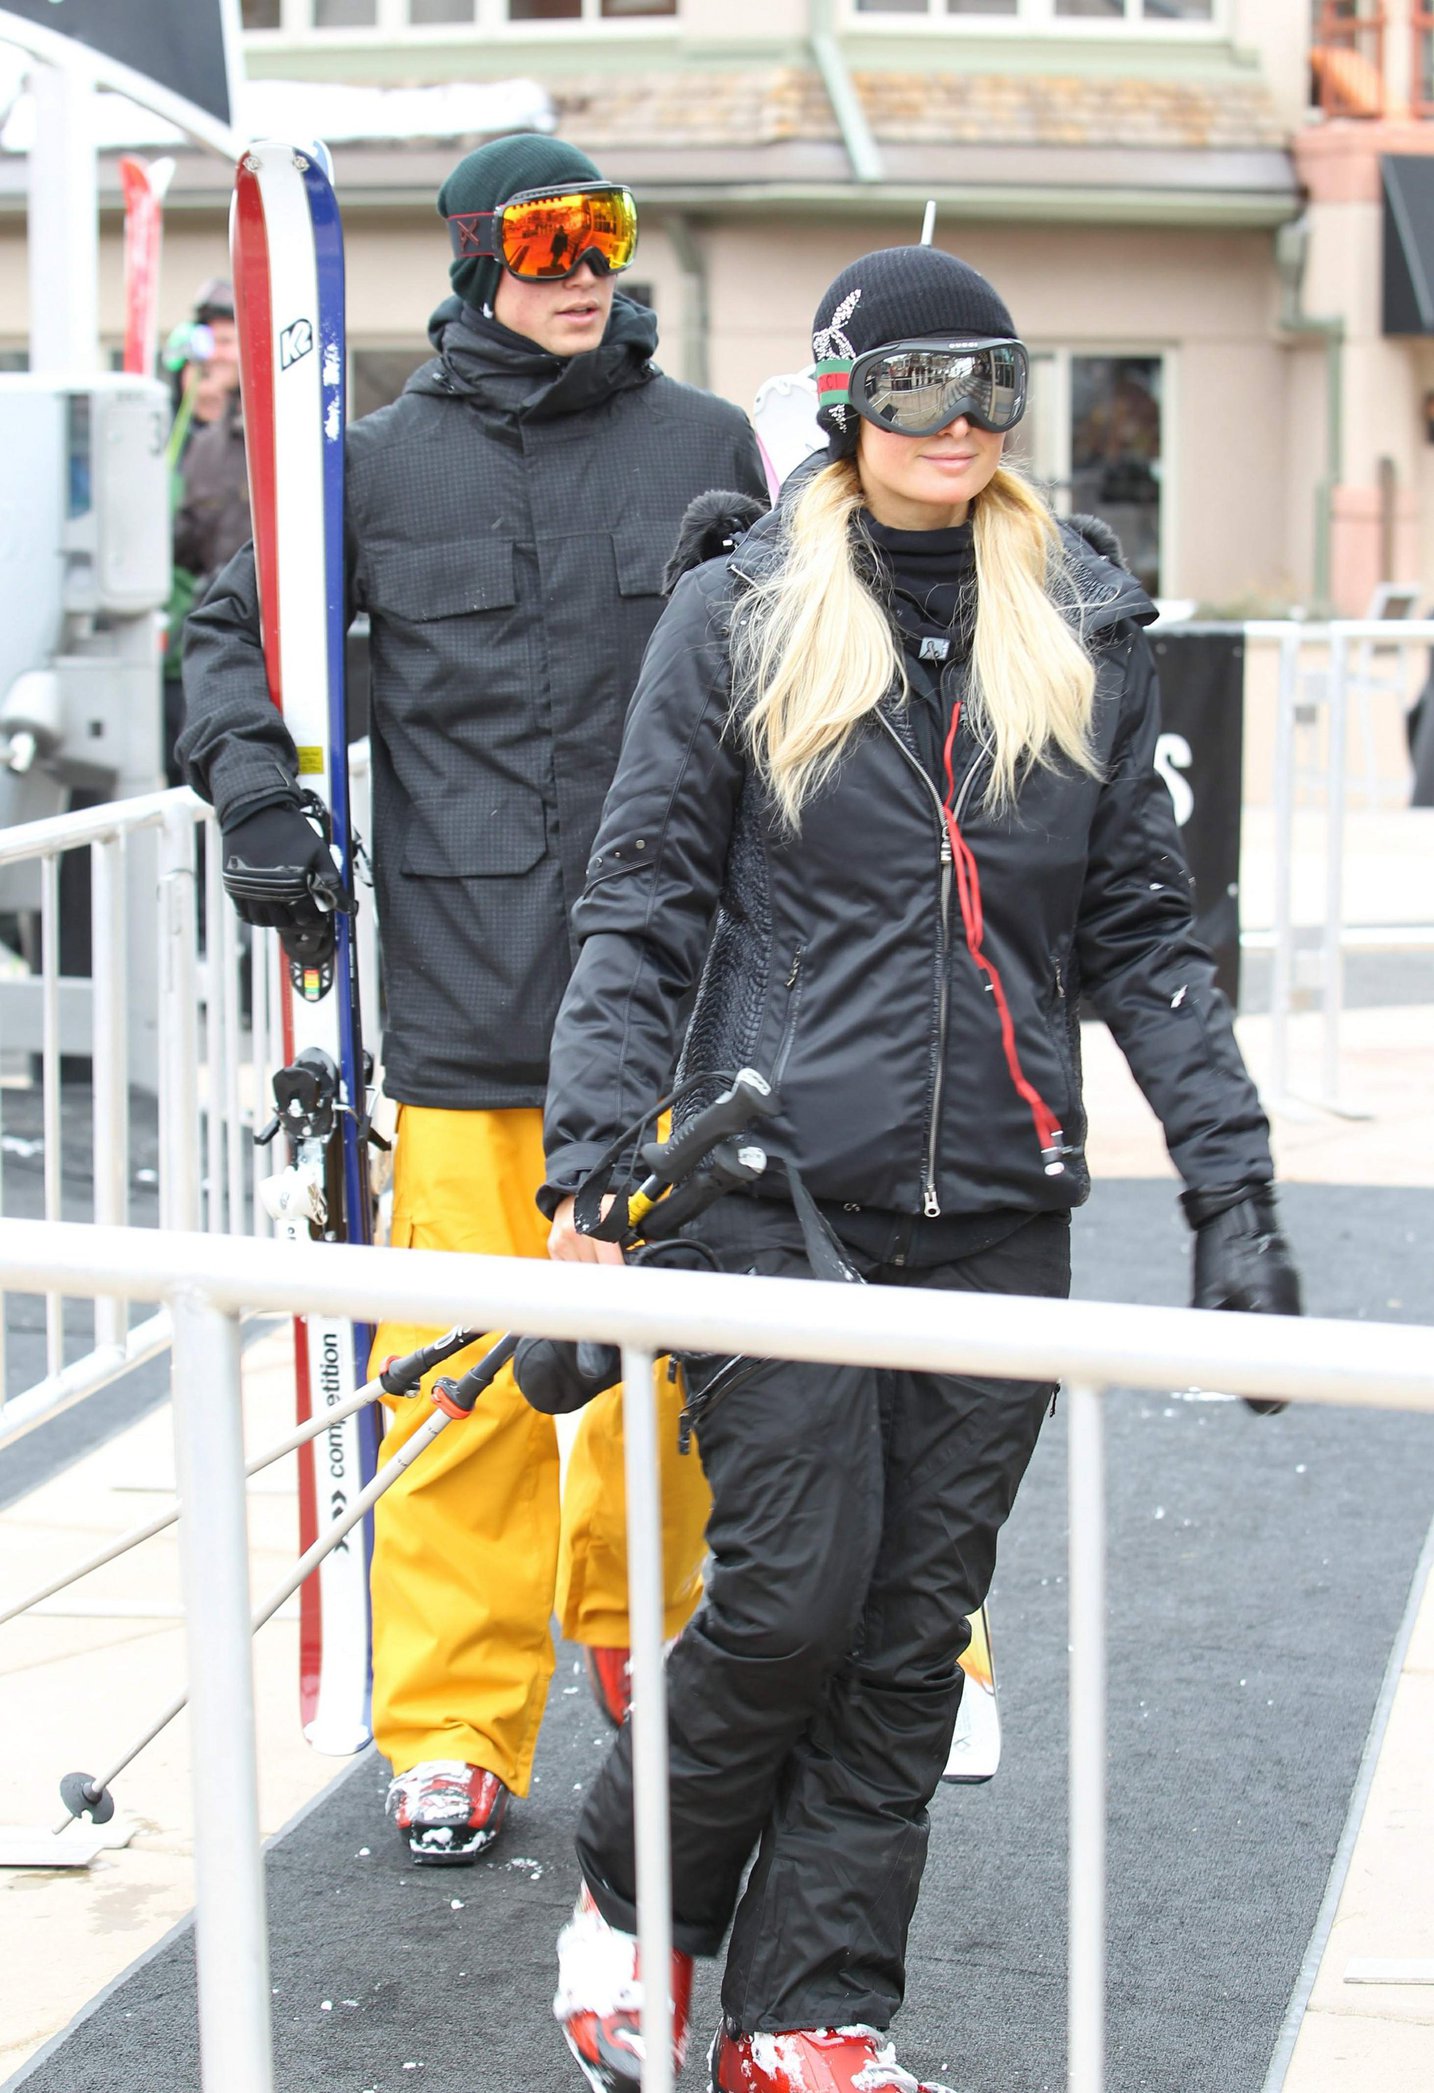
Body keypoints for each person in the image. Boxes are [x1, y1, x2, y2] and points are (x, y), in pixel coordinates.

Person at [534, 245, 1302, 2091]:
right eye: (908, 388)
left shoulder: (1082, 623)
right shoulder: (735, 611)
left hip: (995, 1212)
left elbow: (1141, 936)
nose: (952, 425)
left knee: (899, 1647)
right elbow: (639, 899)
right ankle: (634, 1912)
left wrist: (1231, 1193)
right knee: (790, 1599)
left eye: (988, 388)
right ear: (836, 398)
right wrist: (582, 1173)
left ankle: (807, 2018)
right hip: (764, 1185)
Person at [179, 134, 767, 1867]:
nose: (583, 264)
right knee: (455, 1377)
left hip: (668, 1001)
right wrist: (258, 793)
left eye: (604, 231)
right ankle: (446, 1723)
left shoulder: (704, 447)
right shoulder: (373, 468)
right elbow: (232, 640)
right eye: (544, 238)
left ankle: (645, 1638)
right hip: (459, 995)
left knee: (667, 1376)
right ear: (471, 261)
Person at [164, 279, 248, 785]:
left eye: (224, 341)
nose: (211, 358)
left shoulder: (277, 428)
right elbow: (184, 544)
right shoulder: (203, 447)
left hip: (273, 644)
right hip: (208, 640)